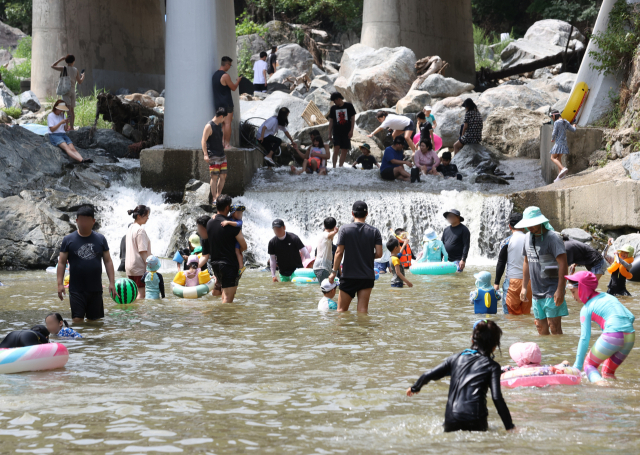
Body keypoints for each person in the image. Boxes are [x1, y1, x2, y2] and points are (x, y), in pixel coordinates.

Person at [406, 320, 514, 433]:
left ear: (472, 340)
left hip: (451, 421)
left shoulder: (455, 359)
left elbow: (428, 374)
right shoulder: (492, 366)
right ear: (494, 346)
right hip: (476, 421)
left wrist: (415, 387)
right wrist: (510, 427)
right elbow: (497, 398)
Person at [566, 271, 635, 384]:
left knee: (589, 365)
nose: (573, 296)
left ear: (582, 288)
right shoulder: (608, 296)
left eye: (573, 292)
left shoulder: (586, 308)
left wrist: (577, 366)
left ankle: (602, 390)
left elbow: (584, 338)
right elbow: (631, 317)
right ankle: (612, 397)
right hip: (630, 337)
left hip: (613, 335)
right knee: (607, 373)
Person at [57, 206, 116, 323]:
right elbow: (61, 262)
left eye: (87, 220)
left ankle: (91, 341)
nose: (84, 223)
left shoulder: (100, 239)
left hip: (95, 289)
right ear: (77, 221)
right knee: (77, 320)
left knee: (94, 322)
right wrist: (60, 284)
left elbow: (108, 261)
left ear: (93, 221)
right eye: (81, 220)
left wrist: (112, 283)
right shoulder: (68, 240)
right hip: (76, 289)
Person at [517, 206, 568, 335]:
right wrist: (524, 287)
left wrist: (560, 289)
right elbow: (526, 262)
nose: (530, 227)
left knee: (554, 327)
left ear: (540, 222)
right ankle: (545, 353)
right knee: (540, 327)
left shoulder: (553, 238)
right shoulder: (527, 237)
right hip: (536, 291)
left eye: (532, 224)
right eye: (527, 225)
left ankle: (558, 353)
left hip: (552, 289)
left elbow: (563, 264)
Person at [328, 201, 383, 312]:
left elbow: (339, 252)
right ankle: (362, 329)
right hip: (366, 276)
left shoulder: (344, 229)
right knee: (363, 311)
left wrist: (333, 272)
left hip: (349, 276)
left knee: (341, 311)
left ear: (352, 213)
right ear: (367, 214)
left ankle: (343, 330)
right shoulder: (375, 231)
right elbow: (379, 254)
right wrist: (365, 255)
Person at [204, 195, 248, 303]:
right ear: (228, 207)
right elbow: (244, 246)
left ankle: (219, 318)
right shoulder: (232, 226)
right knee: (228, 299)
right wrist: (237, 252)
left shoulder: (209, 223)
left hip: (215, 264)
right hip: (229, 265)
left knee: (224, 294)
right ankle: (225, 320)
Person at [494, 212, 532, 315]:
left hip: (512, 282)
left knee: (511, 316)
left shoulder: (507, 241)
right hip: (529, 283)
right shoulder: (531, 240)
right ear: (524, 226)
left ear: (509, 226)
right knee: (525, 315)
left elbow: (501, 262)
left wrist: (496, 283)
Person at [212, 56, 241, 148]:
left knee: (222, 124)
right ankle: (227, 144)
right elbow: (233, 88)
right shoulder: (225, 75)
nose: (230, 67)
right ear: (227, 64)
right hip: (227, 104)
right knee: (227, 123)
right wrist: (238, 81)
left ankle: (222, 144)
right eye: (230, 66)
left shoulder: (215, 75)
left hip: (218, 104)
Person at [125, 205, 152, 300]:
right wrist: (149, 266)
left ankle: (133, 313)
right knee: (141, 294)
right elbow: (142, 250)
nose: (148, 218)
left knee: (134, 294)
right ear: (139, 216)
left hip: (129, 266)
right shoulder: (140, 230)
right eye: (146, 215)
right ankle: (139, 314)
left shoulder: (130, 228)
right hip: (139, 266)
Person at [51, 54, 84, 130]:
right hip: (73, 91)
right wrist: (83, 76)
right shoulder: (76, 70)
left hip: (66, 91)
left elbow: (52, 66)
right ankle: (71, 127)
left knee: (68, 110)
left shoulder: (64, 68)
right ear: (73, 61)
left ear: (66, 61)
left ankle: (67, 127)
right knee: (72, 110)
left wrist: (60, 59)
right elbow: (79, 82)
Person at [201, 107, 228, 201]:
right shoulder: (209, 126)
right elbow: (203, 141)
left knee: (223, 175)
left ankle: (218, 195)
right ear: (221, 116)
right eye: (224, 118)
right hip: (213, 155)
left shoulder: (219, 125)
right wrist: (205, 154)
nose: (224, 120)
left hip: (222, 154)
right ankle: (214, 198)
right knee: (214, 176)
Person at [328, 92, 356, 167]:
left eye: (334, 100)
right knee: (336, 148)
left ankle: (340, 166)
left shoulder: (349, 106)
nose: (334, 102)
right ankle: (334, 167)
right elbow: (331, 121)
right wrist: (329, 133)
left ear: (339, 99)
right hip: (336, 132)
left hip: (346, 131)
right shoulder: (333, 108)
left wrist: (351, 130)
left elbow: (353, 118)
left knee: (344, 150)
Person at [549, 110, 576, 182]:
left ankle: (563, 168)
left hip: (558, 143)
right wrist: (574, 126)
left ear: (554, 116)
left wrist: (552, 139)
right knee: (558, 158)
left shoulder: (556, 122)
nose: (552, 119)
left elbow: (554, 133)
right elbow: (573, 130)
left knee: (552, 157)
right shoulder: (566, 122)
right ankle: (560, 176)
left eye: (552, 117)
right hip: (564, 143)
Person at [221, 204, 247, 276]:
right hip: (232, 240)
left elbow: (236, 224)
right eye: (238, 213)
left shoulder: (239, 221)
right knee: (236, 252)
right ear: (232, 213)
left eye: (241, 213)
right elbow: (222, 218)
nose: (240, 215)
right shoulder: (228, 218)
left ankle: (241, 267)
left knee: (237, 251)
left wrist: (228, 222)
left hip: (237, 240)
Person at [314, 217, 339, 283]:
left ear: (324, 225)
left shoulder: (322, 235)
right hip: (322, 267)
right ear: (334, 226)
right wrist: (335, 232)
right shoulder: (325, 235)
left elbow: (330, 236)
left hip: (322, 267)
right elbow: (328, 235)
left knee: (326, 288)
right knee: (326, 289)